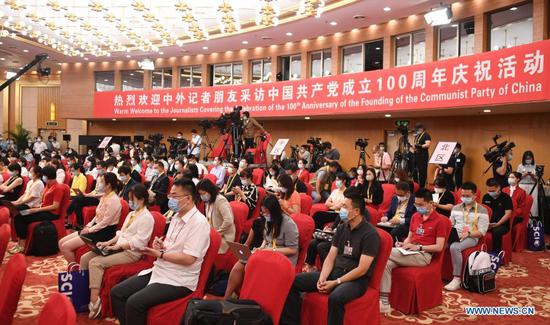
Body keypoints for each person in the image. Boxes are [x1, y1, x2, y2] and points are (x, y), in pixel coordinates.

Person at [110, 179, 210, 325]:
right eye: (170, 195)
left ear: (188, 198)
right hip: (162, 269)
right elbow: (173, 245)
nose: (170, 200)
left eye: (175, 196)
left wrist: (160, 254)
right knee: (117, 292)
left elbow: (189, 258)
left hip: (179, 279)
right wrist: (162, 245)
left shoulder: (199, 223)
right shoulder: (176, 216)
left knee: (134, 303)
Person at [281, 193, 379, 325]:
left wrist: (336, 282)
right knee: (292, 282)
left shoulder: (370, 234)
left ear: (356, 211)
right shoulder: (342, 227)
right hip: (336, 272)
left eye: (344, 206)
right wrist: (323, 276)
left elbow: (362, 269)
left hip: (356, 280)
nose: (340, 209)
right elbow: (331, 256)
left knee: (335, 298)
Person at [80, 185, 155, 319]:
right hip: (118, 246)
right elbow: (122, 233)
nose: (130, 202)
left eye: (133, 199)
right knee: (85, 258)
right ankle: (82, 293)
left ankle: (94, 301)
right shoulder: (132, 214)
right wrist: (108, 243)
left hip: (131, 253)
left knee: (95, 262)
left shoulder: (147, 218)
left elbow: (139, 243)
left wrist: (118, 247)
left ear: (142, 200)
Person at [379, 188, 447, 313]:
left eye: (420, 205)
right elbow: (409, 238)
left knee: (383, 252)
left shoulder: (440, 220)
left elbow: (439, 247)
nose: (417, 207)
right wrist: (402, 244)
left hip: (423, 255)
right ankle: (384, 301)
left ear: (430, 204)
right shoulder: (415, 216)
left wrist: (419, 247)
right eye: (416, 204)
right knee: (386, 263)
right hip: (409, 251)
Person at [225, 194, 298, 299]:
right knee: (239, 265)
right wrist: (261, 247)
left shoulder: (289, 224)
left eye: (267, 213)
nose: (264, 215)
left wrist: (272, 250)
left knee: (253, 266)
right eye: (263, 212)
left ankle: (249, 299)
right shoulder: (267, 220)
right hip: (267, 252)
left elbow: (293, 250)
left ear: (274, 211)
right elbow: (267, 238)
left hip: (283, 258)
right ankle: (227, 297)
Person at [59, 172, 122, 264]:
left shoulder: (114, 201)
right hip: (96, 228)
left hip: (104, 232)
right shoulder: (104, 196)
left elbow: (105, 223)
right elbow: (97, 216)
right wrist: (88, 226)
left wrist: (90, 230)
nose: (98, 184)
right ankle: (73, 268)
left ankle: (76, 272)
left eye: (101, 182)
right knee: (61, 242)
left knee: (65, 246)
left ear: (108, 185)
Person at [303, 188, 362, 273]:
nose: (343, 203)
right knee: (313, 242)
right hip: (334, 235)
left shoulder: (358, 213)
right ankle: (310, 266)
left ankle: (327, 270)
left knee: (321, 246)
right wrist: (330, 229)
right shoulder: (344, 210)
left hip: (344, 240)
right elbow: (336, 223)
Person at [444, 182, 489, 291]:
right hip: (456, 234)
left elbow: (482, 231)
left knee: (455, 247)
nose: (464, 198)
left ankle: (457, 279)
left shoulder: (482, 210)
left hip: (471, 236)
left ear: (475, 196)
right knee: (439, 244)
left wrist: (468, 233)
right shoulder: (456, 208)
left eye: (467, 196)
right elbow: (450, 224)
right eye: (462, 195)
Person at [10, 166, 66, 254]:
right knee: (18, 214)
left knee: (22, 216)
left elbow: (55, 206)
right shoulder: (48, 185)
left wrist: (36, 210)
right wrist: (37, 208)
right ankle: (19, 242)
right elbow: (44, 201)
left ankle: (22, 245)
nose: (43, 177)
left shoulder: (58, 187)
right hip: (43, 210)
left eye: (44, 175)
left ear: (47, 176)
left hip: (51, 213)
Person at [197, 179, 235, 256]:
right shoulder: (209, 201)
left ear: (209, 190)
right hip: (212, 233)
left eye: (203, 193)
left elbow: (229, 220)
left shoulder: (220, 201)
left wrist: (217, 233)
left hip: (224, 236)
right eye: (200, 194)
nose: (202, 196)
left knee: (201, 248)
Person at [67, 162, 106, 228]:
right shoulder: (99, 178)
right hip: (93, 196)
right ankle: (80, 224)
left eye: (100, 168)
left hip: (99, 199)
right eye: (97, 168)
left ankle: (68, 212)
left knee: (77, 198)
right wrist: (88, 194)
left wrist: (90, 195)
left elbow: (104, 193)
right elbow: (95, 190)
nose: (98, 170)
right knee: (77, 204)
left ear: (104, 168)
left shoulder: (107, 178)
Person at [482, 178, 513, 253]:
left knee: (496, 232)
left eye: (493, 191)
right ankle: (481, 252)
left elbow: (508, 214)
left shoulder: (506, 198)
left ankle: (495, 253)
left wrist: (497, 224)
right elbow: (483, 212)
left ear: (498, 187)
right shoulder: (486, 197)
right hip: (488, 224)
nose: (490, 193)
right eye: (489, 191)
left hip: (502, 224)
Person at [517, 150, 538, 217]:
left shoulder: (535, 166)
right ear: (524, 159)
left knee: (533, 202)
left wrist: (532, 175)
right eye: (526, 158)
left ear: (532, 158)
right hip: (522, 185)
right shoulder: (520, 166)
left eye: (529, 158)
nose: (528, 160)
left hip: (533, 185)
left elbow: (537, 178)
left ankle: (533, 217)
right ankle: (522, 216)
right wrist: (524, 174)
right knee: (523, 202)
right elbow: (517, 178)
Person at [412, 123, 431, 188]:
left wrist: (420, 146)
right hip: (416, 155)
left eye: (418, 128)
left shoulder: (426, 135)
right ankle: (416, 184)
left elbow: (428, 144)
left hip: (422, 156)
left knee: (422, 172)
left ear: (422, 128)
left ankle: (422, 186)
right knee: (414, 170)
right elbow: (415, 145)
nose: (417, 130)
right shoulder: (417, 136)